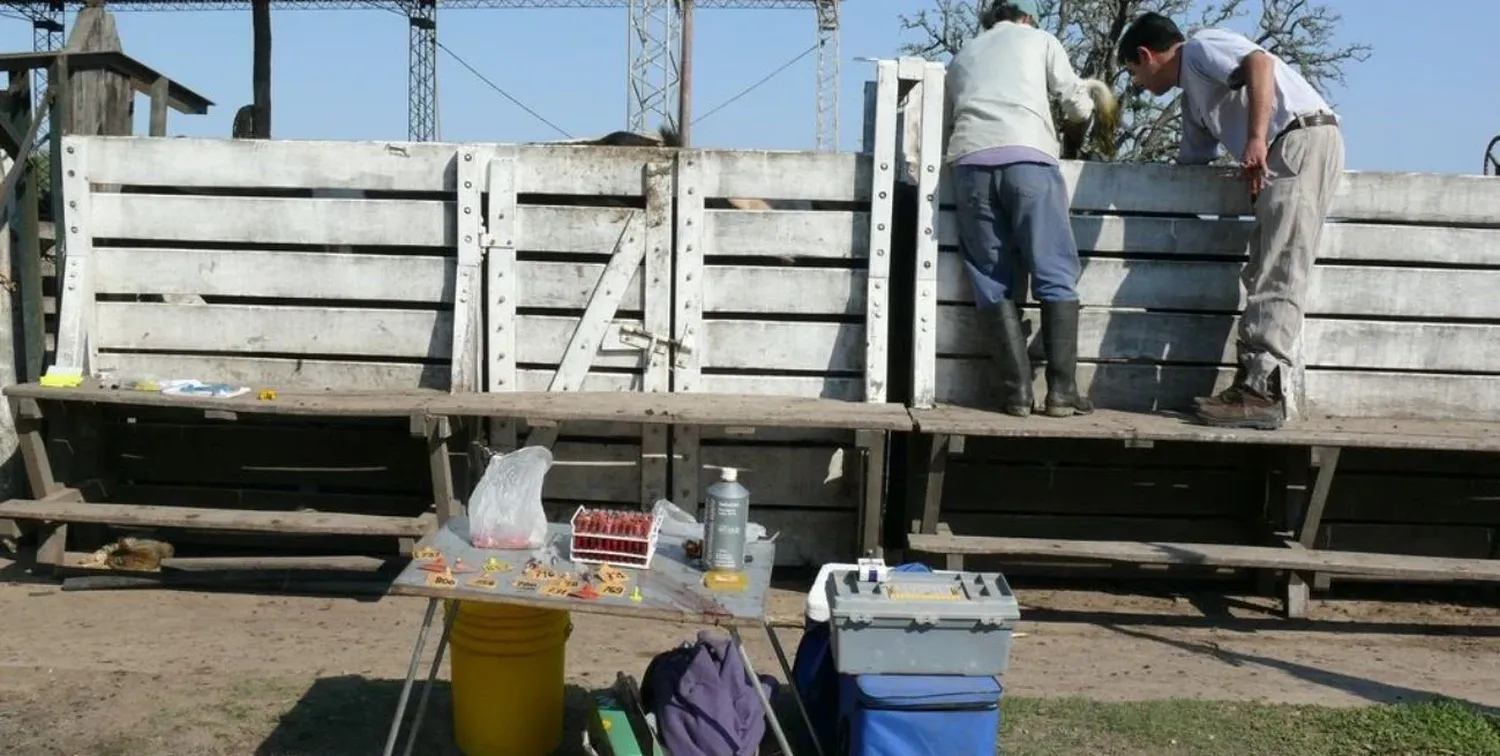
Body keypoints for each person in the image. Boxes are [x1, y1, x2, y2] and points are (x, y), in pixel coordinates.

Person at [1117, 13, 1346, 430]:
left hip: (1296, 139)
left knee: (1280, 265)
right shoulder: (1193, 98)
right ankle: (1251, 384)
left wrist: (1256, 138)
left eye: (1133, 71)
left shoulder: (1202, 47)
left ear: (1146, 55)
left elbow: (1260, 64)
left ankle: (1262, 392)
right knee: (1263, 267)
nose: (1136, 84)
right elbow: (1191, 162)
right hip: (1284, 148)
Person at [942, 0, 1111, 418]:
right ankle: (1062, 392)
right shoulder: (1040, 40)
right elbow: (1078, 103)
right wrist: (1078, 128)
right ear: (1026, 18)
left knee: (991, 279)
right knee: (1053, 269)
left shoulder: (962, 57)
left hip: (969, 165)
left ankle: (1016, 393)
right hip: (1028, 160)